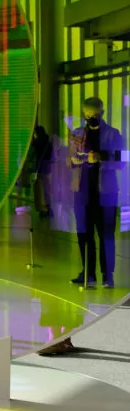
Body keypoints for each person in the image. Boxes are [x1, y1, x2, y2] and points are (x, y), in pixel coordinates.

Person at [68, 97, 123, 290]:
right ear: (84, 114)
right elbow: (70, 161)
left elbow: (121, 161)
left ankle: (108, 275)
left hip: (106, 193)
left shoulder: (113, 134)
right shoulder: (76, 134)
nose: (92, 118)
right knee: (85, 235)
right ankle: (88, 274)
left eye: (96, 114)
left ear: (103, 113)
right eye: (89, 115)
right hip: (81, 192)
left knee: (106, 234)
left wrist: (101, 159)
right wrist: (80, 160)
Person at [29, 124, 54, 218]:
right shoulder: (48, 141)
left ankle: (42, 208)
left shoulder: (38, 142)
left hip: (40, 167)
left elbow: (33, 149)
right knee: (46, 188)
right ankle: (48, 207)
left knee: (40, 188)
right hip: (47, 167)